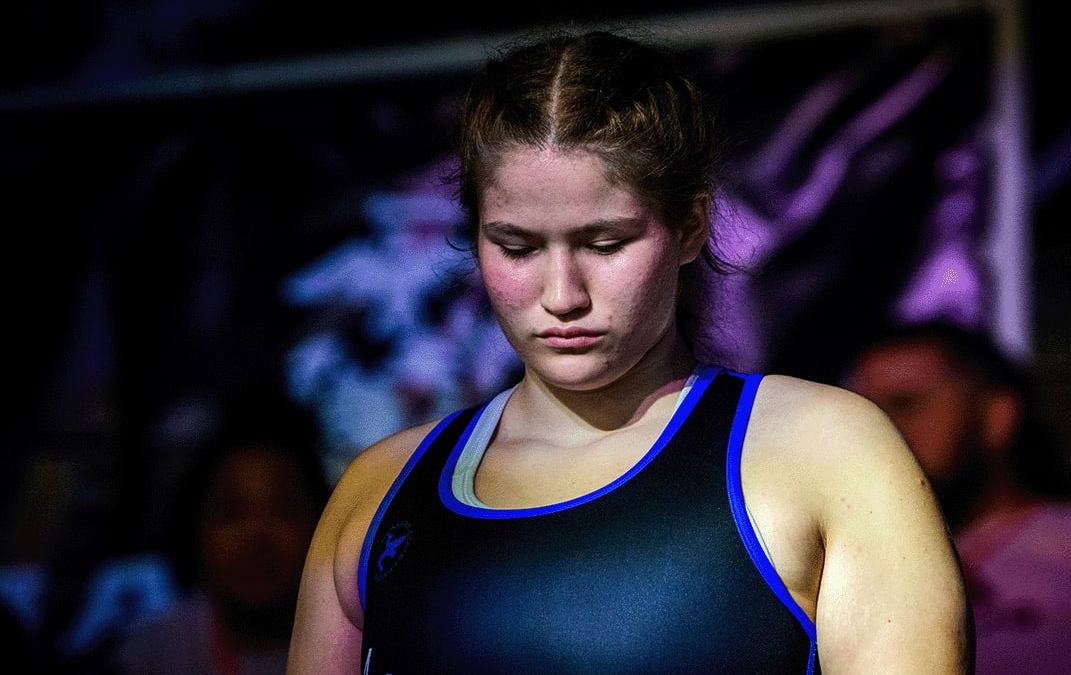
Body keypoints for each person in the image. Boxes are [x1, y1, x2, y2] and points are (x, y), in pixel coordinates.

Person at [288, 29, 971, 674]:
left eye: (605, 243)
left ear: (691, 227)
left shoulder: (825, 452)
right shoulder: (379, 491)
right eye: (517, 247)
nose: (563, 293)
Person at [844, 319, 1071, 675]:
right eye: (866, 415)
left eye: (906, 405)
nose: (881, 431)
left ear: (996, 415)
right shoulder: (851, 575)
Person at [117, 405, 330, 675]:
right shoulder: (151, 654)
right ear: (195, 528)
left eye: (285, 509)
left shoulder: (360, 651)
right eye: (231, 512)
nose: (258, 535)